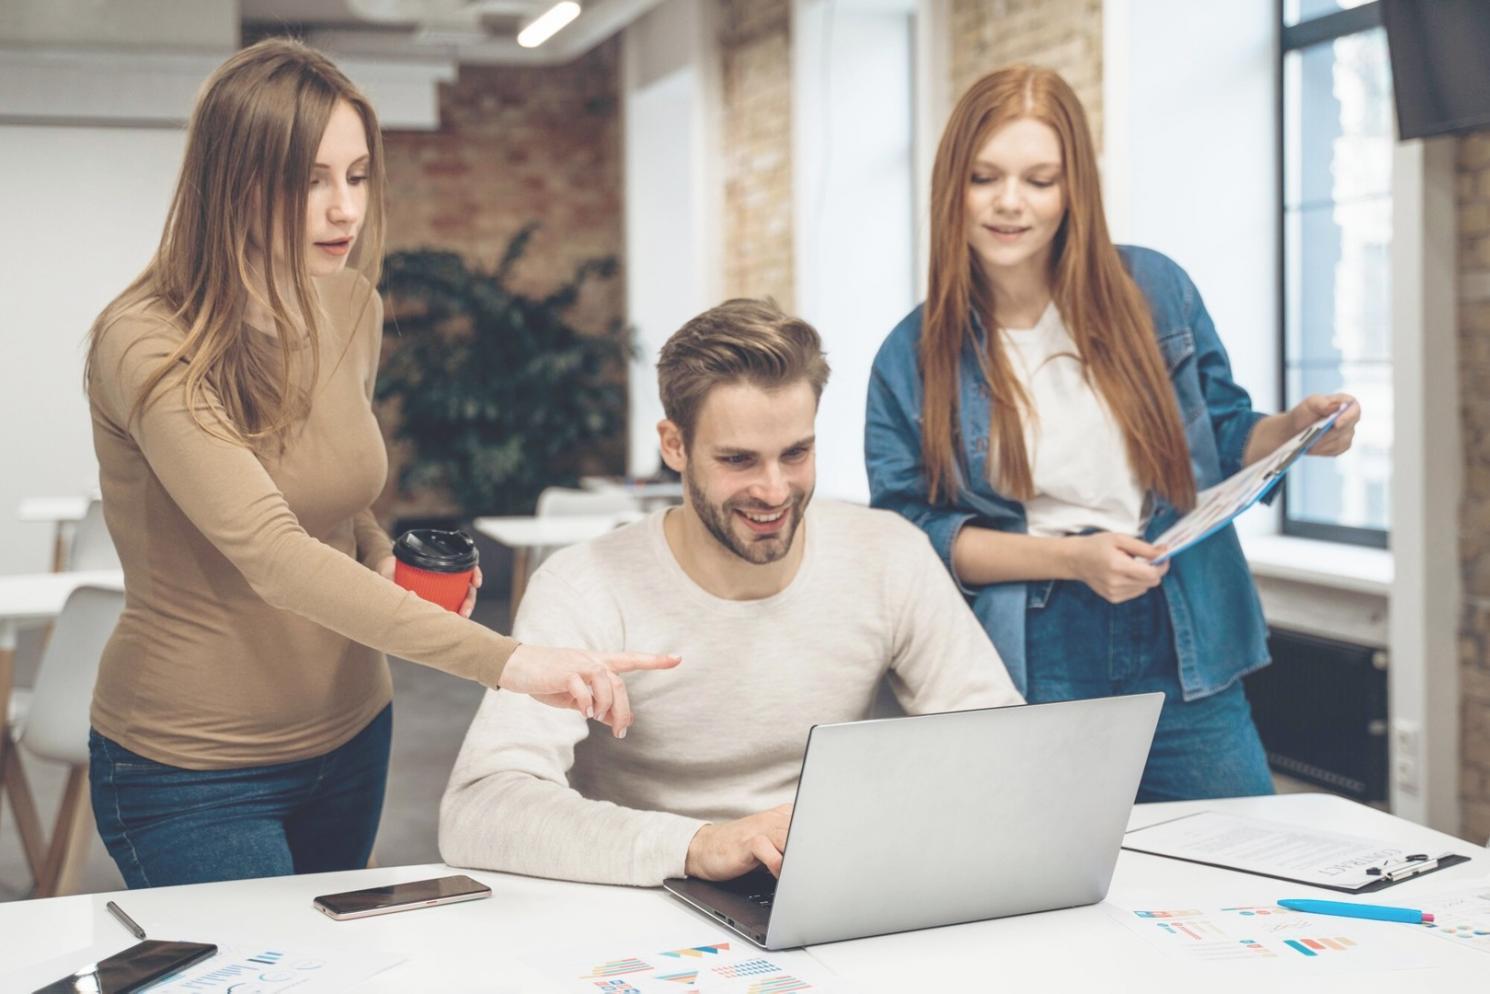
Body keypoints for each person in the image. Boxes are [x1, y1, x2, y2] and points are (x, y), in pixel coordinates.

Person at [83, 38, 677, 889]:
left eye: (358, 176)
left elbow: (339, 503)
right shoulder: (145, 342)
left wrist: (385, 564)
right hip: (193, 767)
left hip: (352, 736)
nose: (344, 210)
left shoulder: (348, 304)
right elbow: (276, 554)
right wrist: (508, 659)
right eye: (310, 180)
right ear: (235, 181)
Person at [865, 65, 1360, 802]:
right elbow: (914, 534)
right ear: (952, 188)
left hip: (1182, 633)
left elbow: (1222, 435)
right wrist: (1072, 561)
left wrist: (1294, 430)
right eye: (984, 177)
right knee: (1048, 892)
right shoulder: (911, 357)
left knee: (1240, 867)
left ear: (1074, 192)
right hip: (1030, 653)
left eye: (1039, 180)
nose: (1010, 203)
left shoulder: (1156, 293)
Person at [439, 299, 1023, 887]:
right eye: (738, 460)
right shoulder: (583, 587)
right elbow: (480, 808)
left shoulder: (888, 553)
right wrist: (700, 844)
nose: (774, 491)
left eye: (796, 453)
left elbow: (1000, 742)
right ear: (674, 446)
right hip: (654, 898)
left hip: (832, 884)